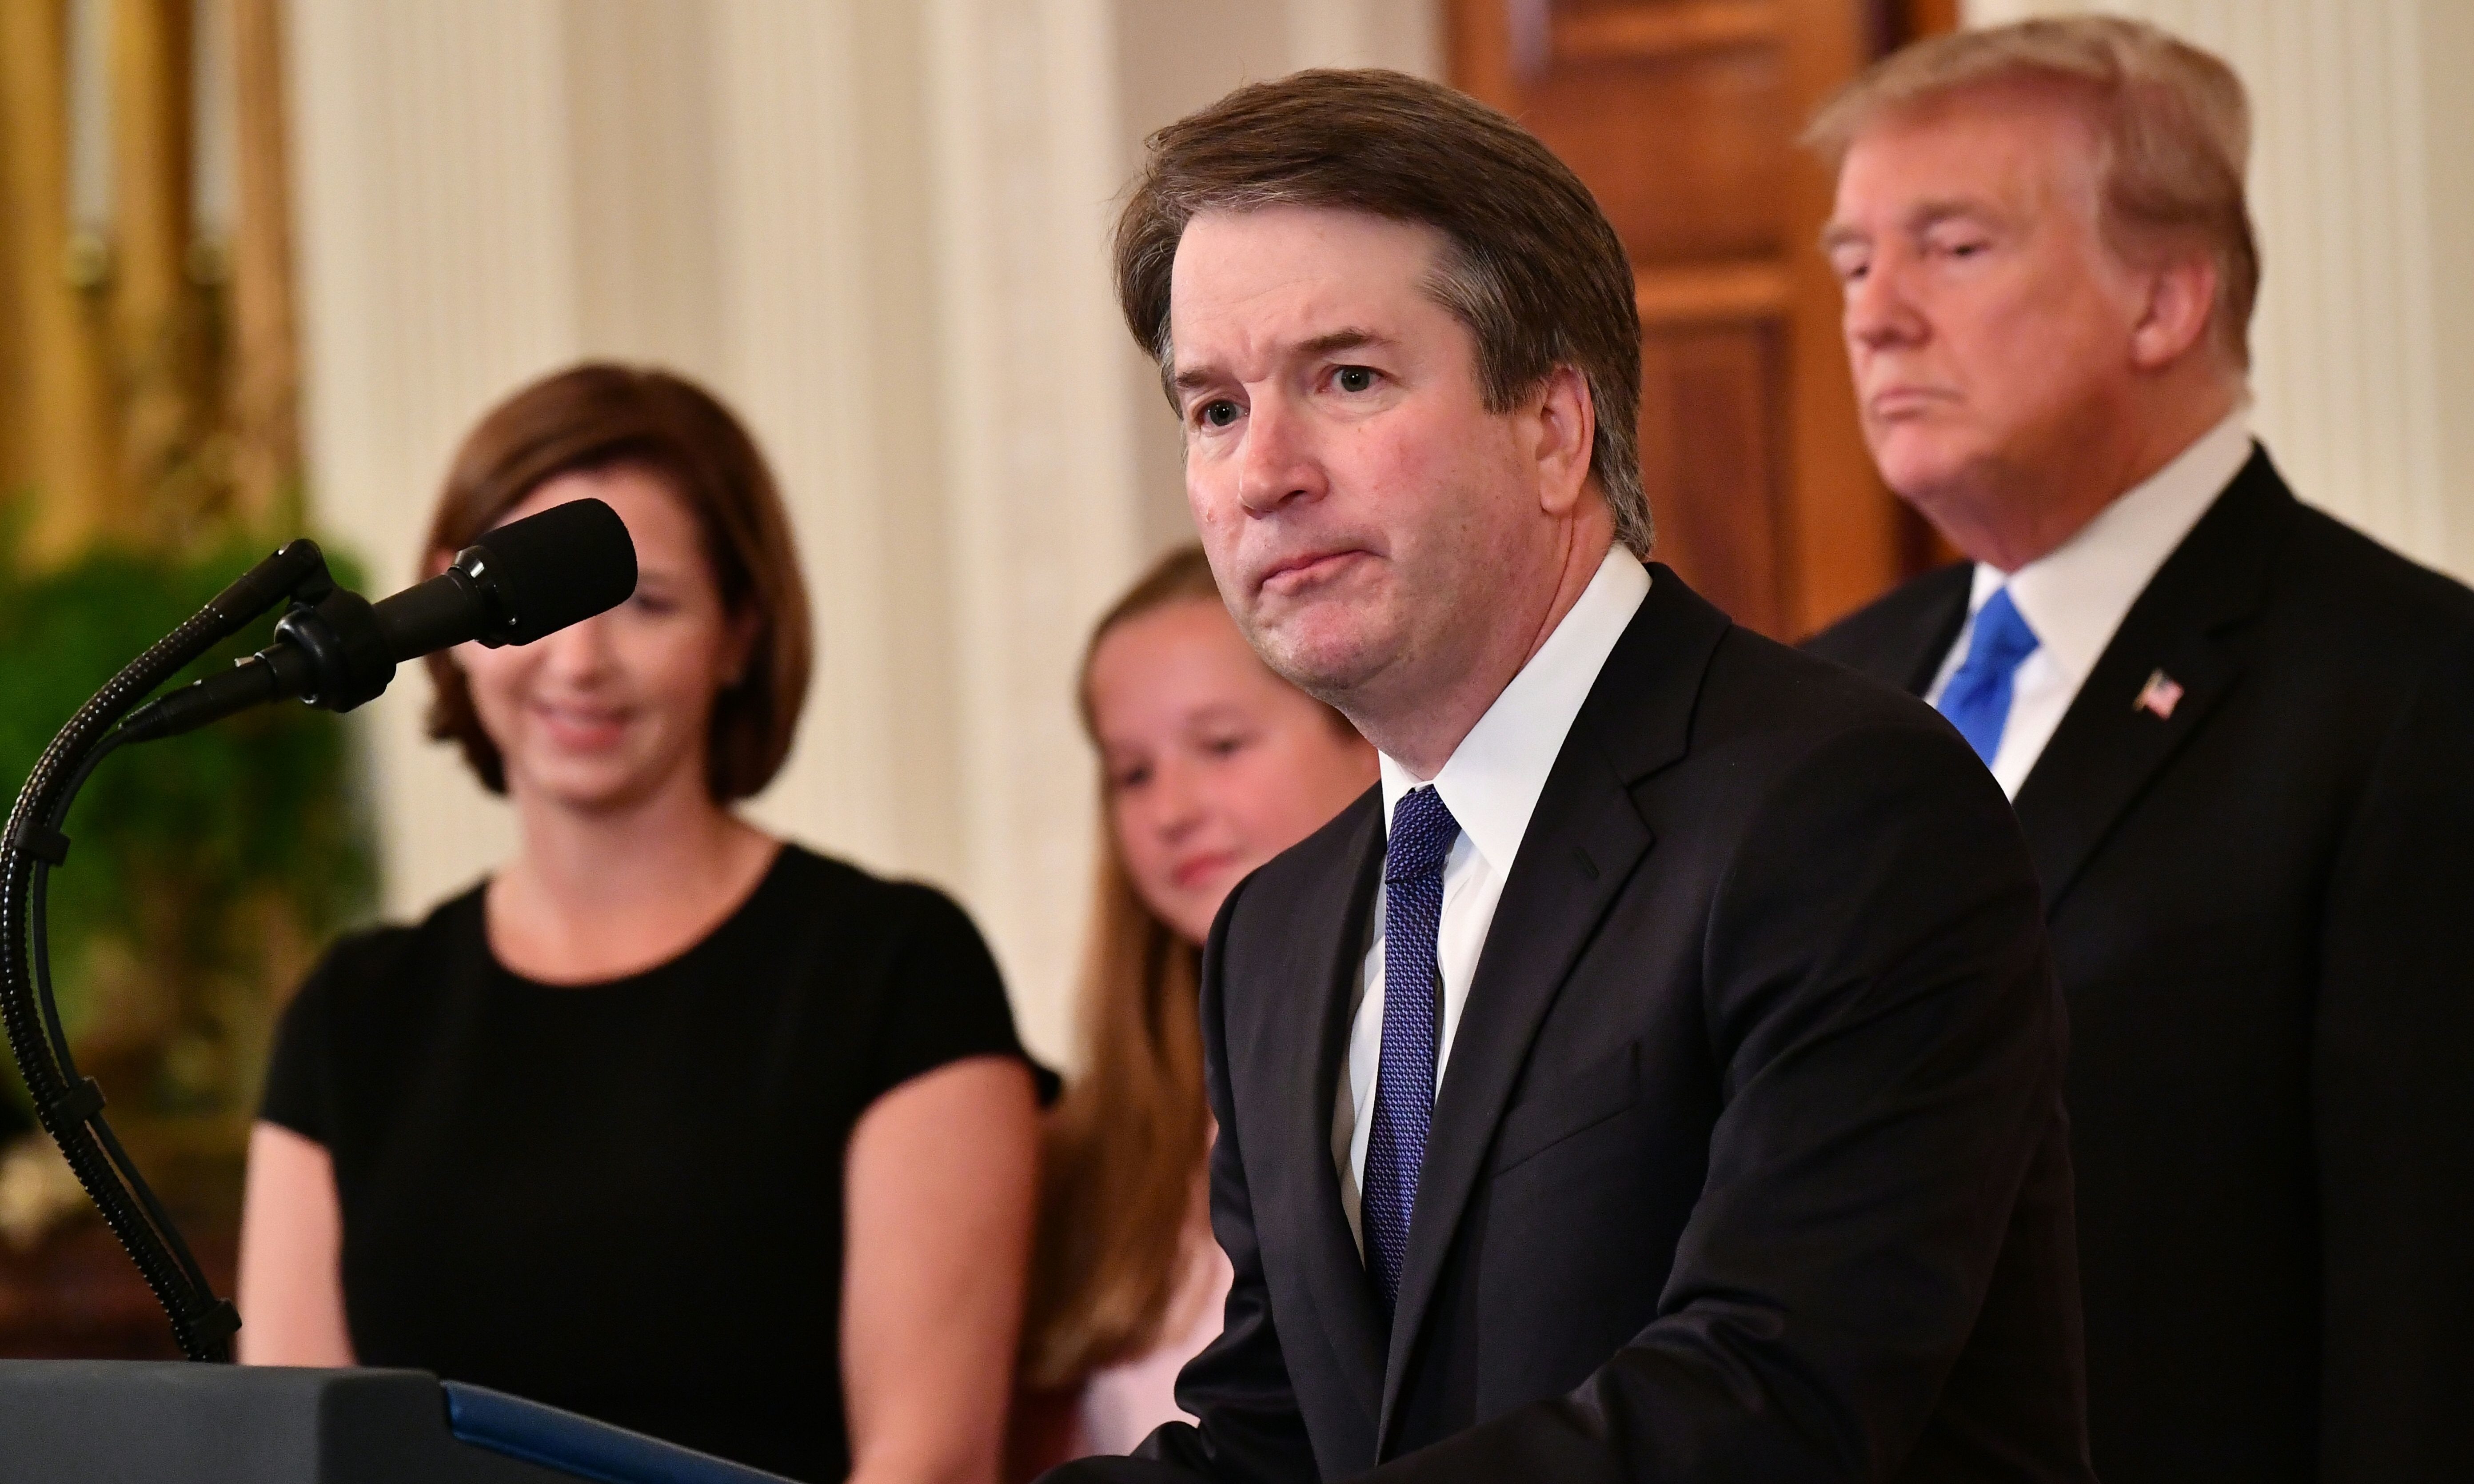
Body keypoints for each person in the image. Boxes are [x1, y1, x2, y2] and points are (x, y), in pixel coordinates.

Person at [1044, 68, 2094, 1484]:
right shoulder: (1273, 933)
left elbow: (1770, 1398)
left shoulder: (1842, 808)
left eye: (1347, 379)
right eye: (1216, 408)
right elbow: (1272, 1442)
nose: (1263, 474)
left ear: (1554, 428)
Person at [1800, 19, 2474, 1483]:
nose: (1875, 317)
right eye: (1852, 263)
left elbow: (2426, 1311)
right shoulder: (1821, 691)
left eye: (1952, 248)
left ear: (2164, 299)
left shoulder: (2410, 691)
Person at [234, 363, 1040, 1484]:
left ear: (741, 633)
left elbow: (931, 1459)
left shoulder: (897, 968)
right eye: (523, 611)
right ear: (444, 622)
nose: (580, 661)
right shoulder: (351, 1012)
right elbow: (295, 1450)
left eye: (647, 604)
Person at [1014, 547, 1376, 1474]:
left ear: (1367, 738)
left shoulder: (1438, 1055)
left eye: (1220, 745)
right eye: (1132, 774)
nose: (1170, 811)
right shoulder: (1089, 1149)